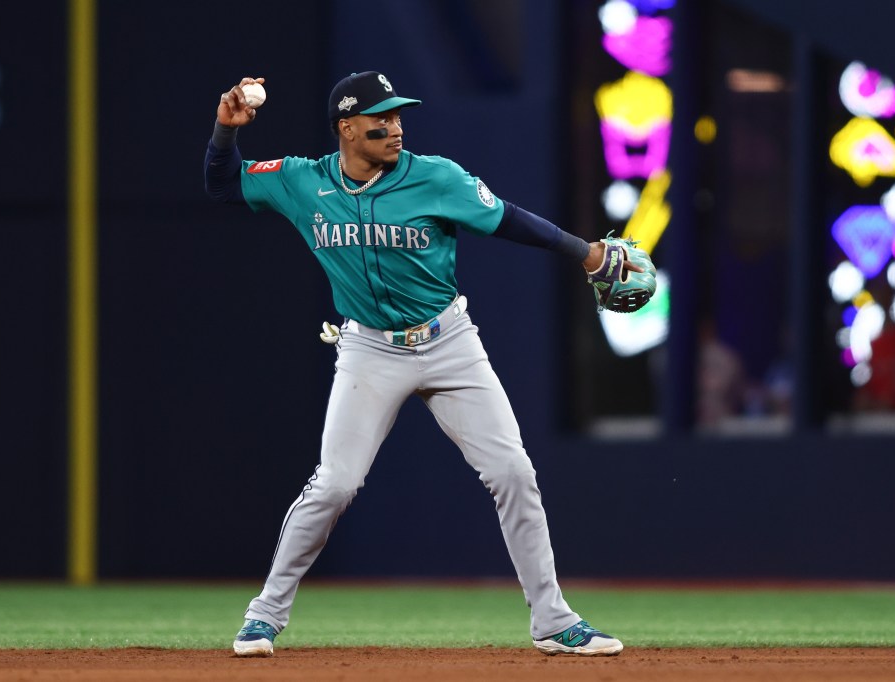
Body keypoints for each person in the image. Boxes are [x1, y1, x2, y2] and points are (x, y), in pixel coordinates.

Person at [204, 71, 643, 658]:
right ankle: (264, 616)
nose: (396, 127)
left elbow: (508, 218)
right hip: (368, 349)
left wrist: (586, 252)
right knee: (334, 485)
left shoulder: (435, 176)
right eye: (381, 118)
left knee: (513, 472)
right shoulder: (302, 181)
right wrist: (224, 132)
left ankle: (554, 620)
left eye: (399, 114)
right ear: (347, 128)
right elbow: (224, 185)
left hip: (450, 342)